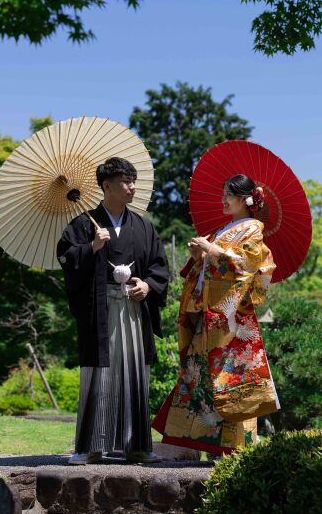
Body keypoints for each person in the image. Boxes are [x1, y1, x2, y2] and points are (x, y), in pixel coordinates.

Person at [152, 174, 278, 455]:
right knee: (198, 374)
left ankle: (235, 447)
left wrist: (212, 251)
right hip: (208, 313)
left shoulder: (253, 228)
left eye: (228, 195)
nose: (223, 200)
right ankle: (190, 442)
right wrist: (200, 255)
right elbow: (209, 267)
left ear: (246, 199)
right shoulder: (223, 229)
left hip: (230, 318)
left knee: (233, 379)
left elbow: (247, 266)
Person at [57, 157, 169, 464]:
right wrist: (90, 247)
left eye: (133, 181)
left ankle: (137, 447)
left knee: (135, 374)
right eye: (125, 181)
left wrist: (147, 286)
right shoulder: (83, 224)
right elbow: (65, 259)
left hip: (133, 309)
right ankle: (91, 447)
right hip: (100, 312)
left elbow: (160, 267)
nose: (132, 187)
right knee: (100, 374)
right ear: (106, 186)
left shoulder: (143, 226)